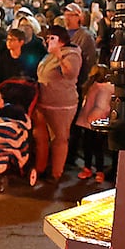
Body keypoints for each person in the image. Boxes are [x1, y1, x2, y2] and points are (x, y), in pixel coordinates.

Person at [34, 25, 83, 184]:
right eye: (47, 38)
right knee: (41, 136)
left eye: (52, 38)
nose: (48, 41)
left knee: (60, 138)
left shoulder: (72, 54)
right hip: (43, 102)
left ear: (61, 40)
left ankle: (56, 172)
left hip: (61, 104)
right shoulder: (48, 55)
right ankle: (41, 167)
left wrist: (59, 56)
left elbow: (70, 74)